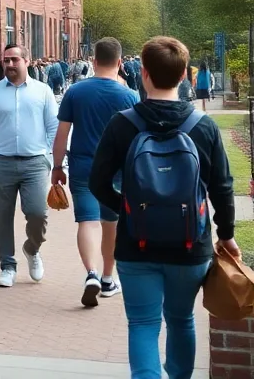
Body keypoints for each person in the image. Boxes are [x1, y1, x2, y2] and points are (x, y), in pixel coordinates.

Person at [90, 37, 238, 379]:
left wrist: (127, 210)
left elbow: (98, 183)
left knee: (142, 323)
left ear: (143, 73)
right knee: (182, 319)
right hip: (191, 245)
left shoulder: (122, 123)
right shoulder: (203, 126)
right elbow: (223, 187)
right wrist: (226, 234)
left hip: (135, 244)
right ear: (185, 74)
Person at [51, 37, 136, 308]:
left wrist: (56, 167)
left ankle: (91, 273)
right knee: (110, 224)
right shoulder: (129, 96)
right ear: (120, 62)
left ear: (94, 61)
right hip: (117, 169)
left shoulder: (76, 92)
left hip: (82, 165)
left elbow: (62, 134)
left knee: (87, 220)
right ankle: (109, 278)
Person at [0, 44, 57, 288]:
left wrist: (50, 158)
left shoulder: (43, 91)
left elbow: (53, 126)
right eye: (6, 60)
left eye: (14, 60)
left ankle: (32, 249)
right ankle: (7, 265)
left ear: (26, 61)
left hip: (35, 163)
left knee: (38, 213)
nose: (10, 65)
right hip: (0, 162)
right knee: (2, 217)